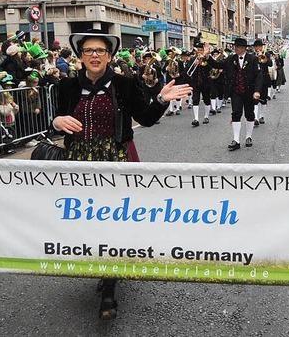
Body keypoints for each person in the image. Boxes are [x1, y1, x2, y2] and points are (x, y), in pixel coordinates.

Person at [51, 29, 191, 320]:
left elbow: (147, 119)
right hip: (79, 163)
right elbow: (56, 121)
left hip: (115, 162)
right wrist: (57, 120)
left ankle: (109, 290)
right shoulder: (65, 87)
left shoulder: (125, 84)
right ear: (80, 56)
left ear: (109, 56)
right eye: (88, 50)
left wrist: (162, 100)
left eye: (100, 51)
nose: (94, 55)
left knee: (112, 223)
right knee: (88, 222)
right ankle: (103, 266)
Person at [215, 37, 262, 151]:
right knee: (236, 113)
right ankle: (236, 140)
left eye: (237, 47)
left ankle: (248, 137)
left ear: (243, 48)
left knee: (249, 114)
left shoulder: (253, 59)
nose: (235, 48)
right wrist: (207, 57)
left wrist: (257, 91)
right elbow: (218, 65)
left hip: (249, 91)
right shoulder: (231, 58)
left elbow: (258, 76)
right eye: (235, 47)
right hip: (236, 91)